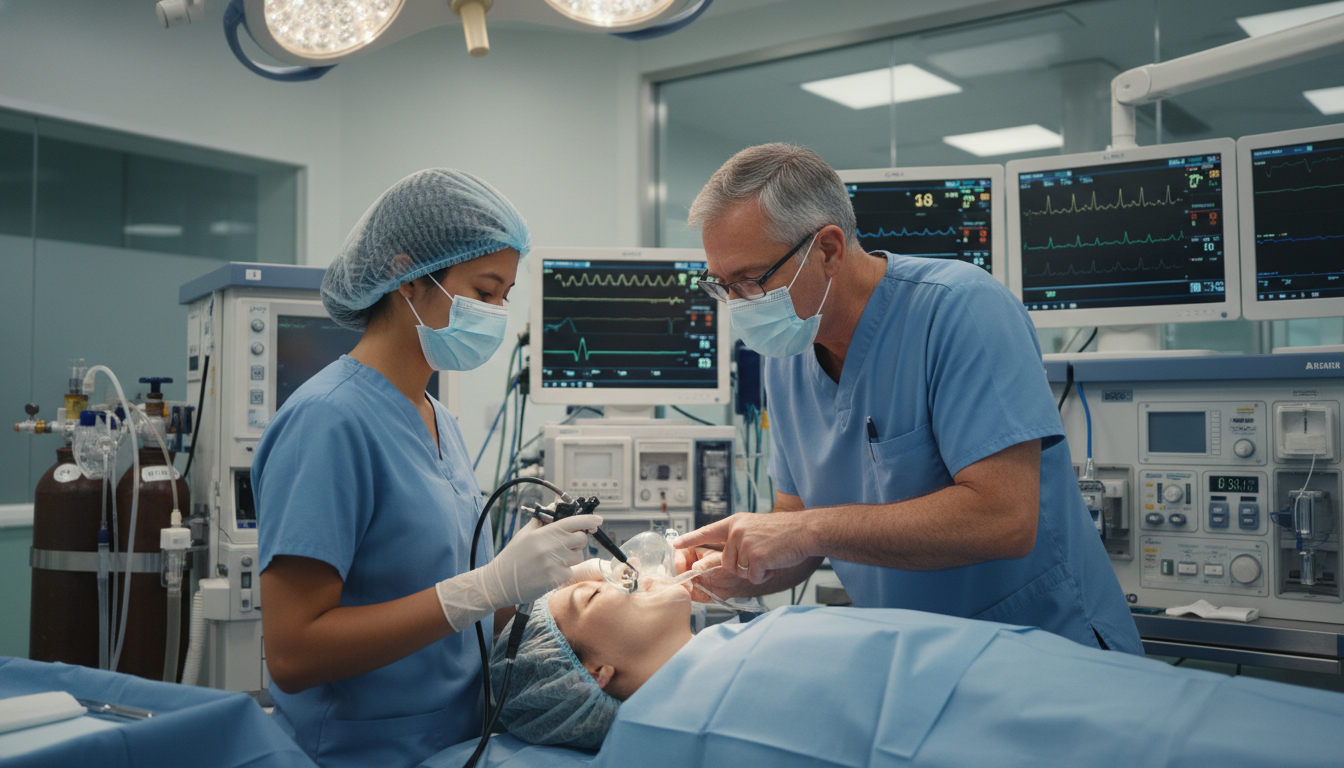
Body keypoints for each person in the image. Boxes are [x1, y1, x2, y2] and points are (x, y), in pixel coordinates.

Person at [672, 143, 1141, 654]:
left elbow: (1004, 518)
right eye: (721, 286)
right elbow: (796, 525)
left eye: (751, 281)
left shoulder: (960, 310)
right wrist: (731, 570)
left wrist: (807, 531)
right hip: (916, 660)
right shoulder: (787, 353)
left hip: (1040, 648)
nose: (739, 305)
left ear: (828, 249)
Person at [251, 169, 602, 768]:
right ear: (408, 278)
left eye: (504, 297)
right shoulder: (327, 422)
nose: (496, 313)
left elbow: (455, 598)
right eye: (484, 291)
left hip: (456, 740)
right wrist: (485, 586)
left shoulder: (437, 418)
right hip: (361, 751)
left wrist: (554, 585)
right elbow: (292, 652)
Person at [477, 583, 1344, 767]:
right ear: (594, 670)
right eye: (592, 594)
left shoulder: (730, 649)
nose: (618, 569)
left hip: (1026, 674)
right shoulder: (695, 722)